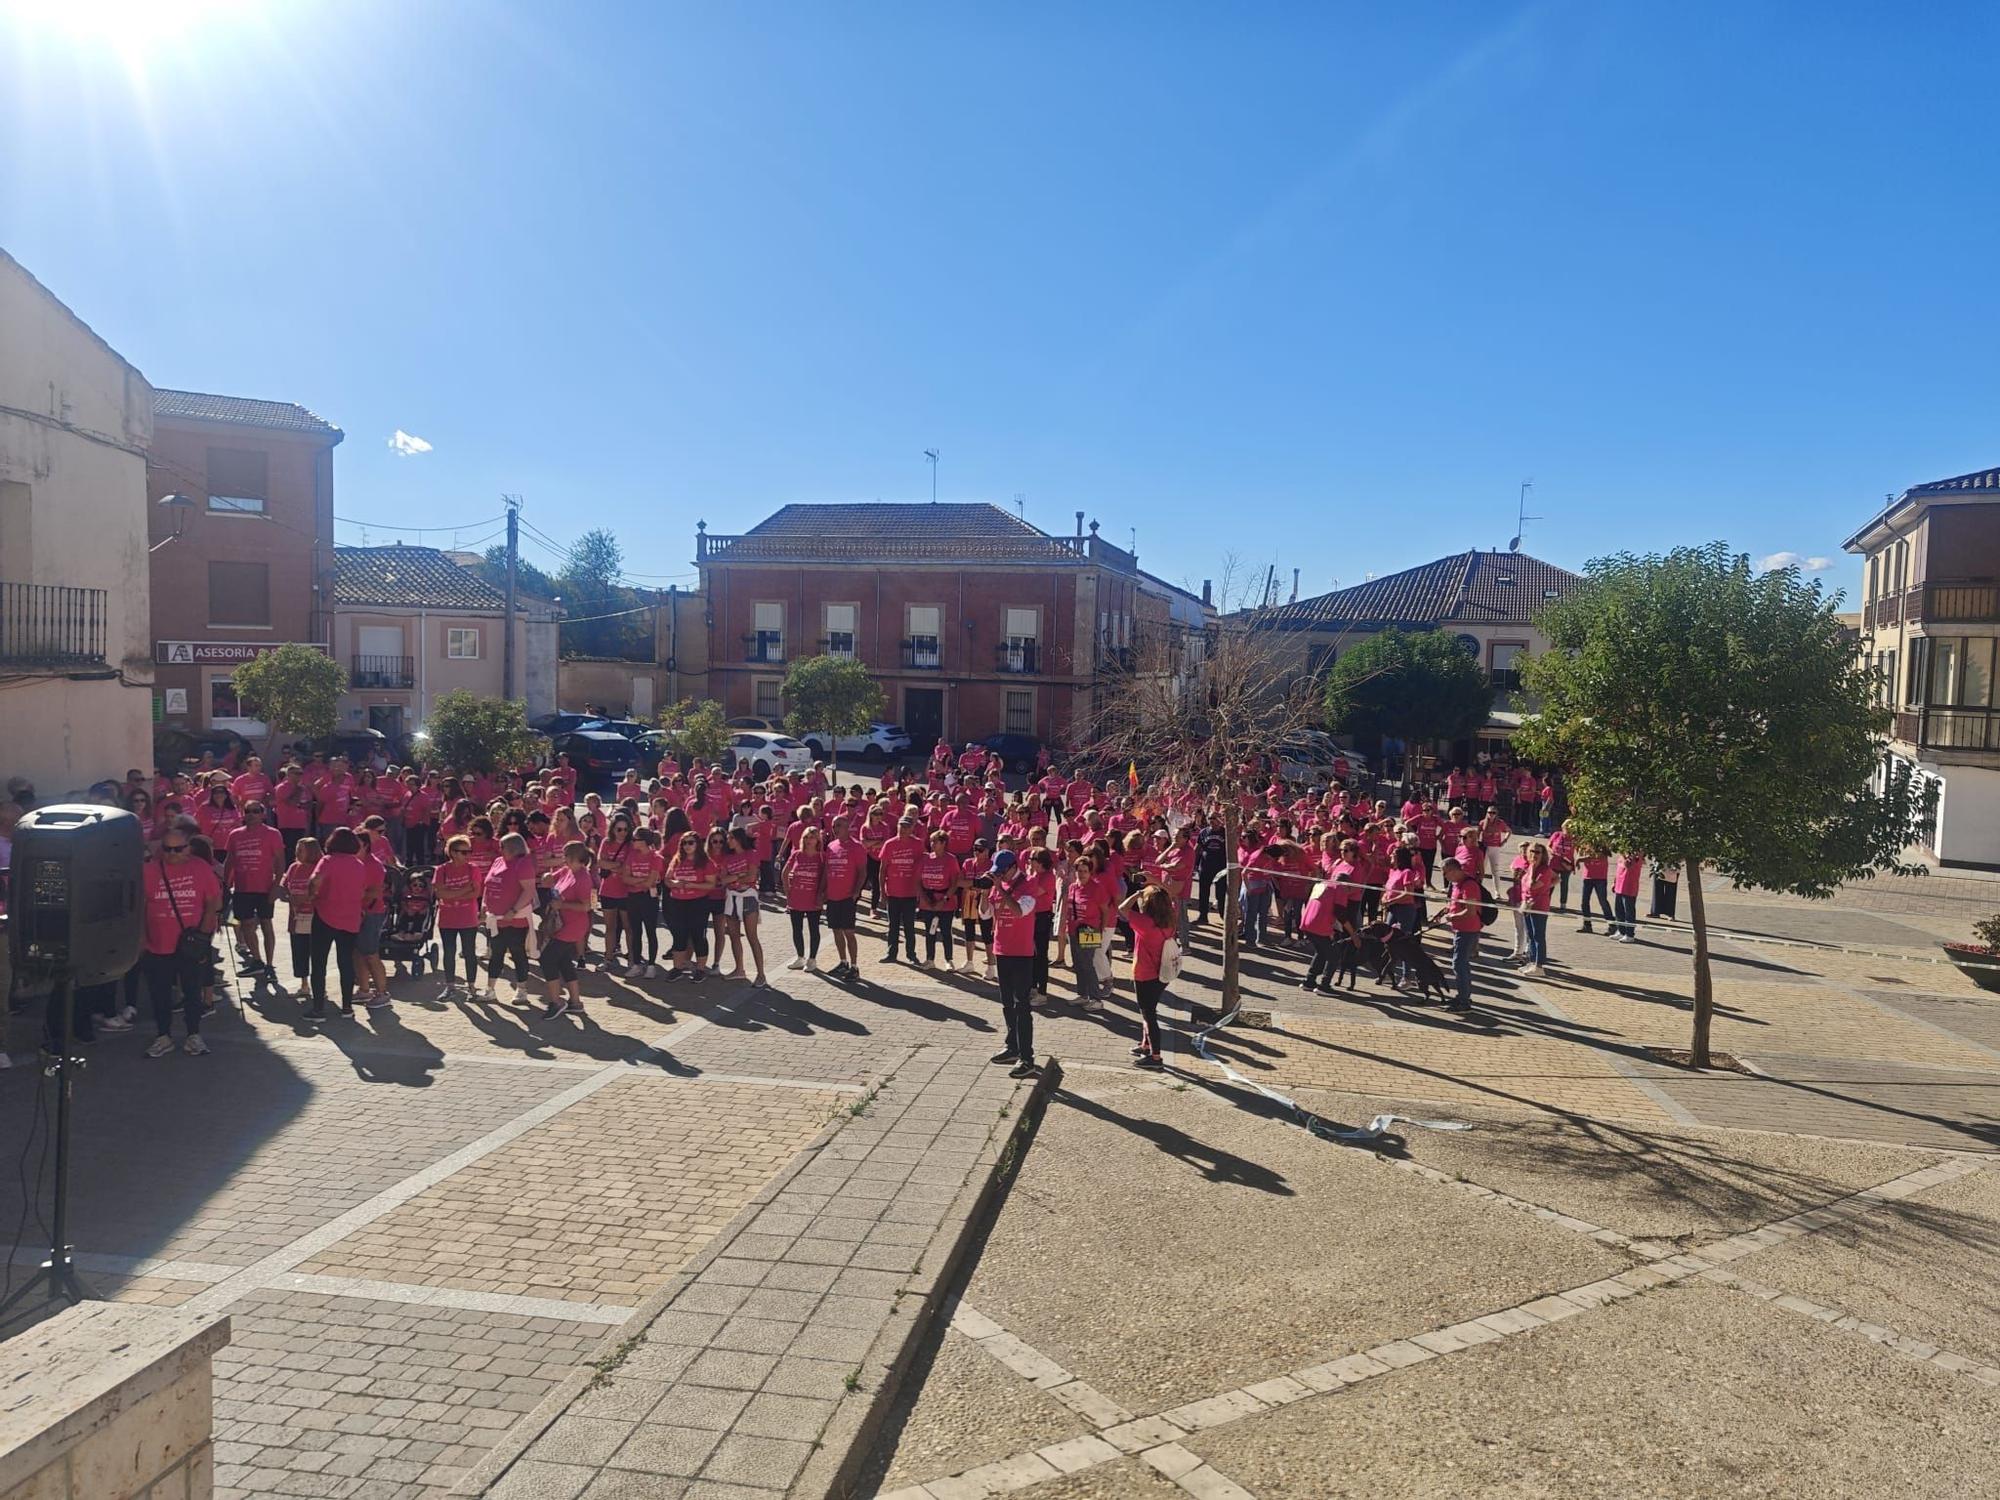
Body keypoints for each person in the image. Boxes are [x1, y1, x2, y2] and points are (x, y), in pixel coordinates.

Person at [140, 828, 223, 1056]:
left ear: (189, 848)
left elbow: (213, 902)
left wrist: (205, 936)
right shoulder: (148, 870)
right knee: (160, 994)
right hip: (157, 944)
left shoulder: (200, 868)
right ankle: (163, 1036)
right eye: (168, 849)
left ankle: (193, 1035)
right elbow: (139, 906)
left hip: (191, 943)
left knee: (192, 991)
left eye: (178, 849)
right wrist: (141, 940)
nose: (173, 854)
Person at [308, 827, 374, 1019]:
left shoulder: (328, 860)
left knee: (319, 964)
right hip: (350, 917)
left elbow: (316, 879)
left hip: (326, 914)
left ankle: (318, 1008)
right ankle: (347, 1007)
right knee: (345, 962)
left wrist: (312, 894)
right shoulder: (358, 864)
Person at [987, 851, 1042, 1078]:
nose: (998, 877)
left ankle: (1026, 1057)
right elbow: (986, 914)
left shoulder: (1029, 884)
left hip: (1021, 953)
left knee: (1022, 1006)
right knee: (1006, 1003)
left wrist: (1000, 889)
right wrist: (985, 893)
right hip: (1002, 949)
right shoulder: (998, 884)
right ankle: (1012, 1046)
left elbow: (1020, 912)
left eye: (1001, 873)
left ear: (1012, 868)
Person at [222, 800, 284, 979]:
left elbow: (280, 860)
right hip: (242, 887)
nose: (251, 814)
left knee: (266, 923)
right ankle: (257, 960)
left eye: (256, 811)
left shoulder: (273, 834)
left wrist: (277, 884)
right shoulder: (235, 834)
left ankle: (270, 964)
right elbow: (230, 860)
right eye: (248, 811)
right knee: (246, 925)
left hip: (265, 887)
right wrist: (226, 885)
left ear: (263, 814)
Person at [1119, 882, 1176, 1069]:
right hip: (1162, 974)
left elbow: (1122, 908)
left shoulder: (1144, 923)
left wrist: (1137, 894)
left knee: (1148, 1014)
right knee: (1148, 1010)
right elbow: (1168, 898)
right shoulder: (1169, 920)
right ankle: (1145, 1044)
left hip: (1145, 974)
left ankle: (1156, 1057)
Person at [541, 841, 595, 1017]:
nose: (563, 859)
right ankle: (575, 1002)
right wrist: (545, 879)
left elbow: (587, 906)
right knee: (563, 960)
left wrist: (563, 904)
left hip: (573, 926)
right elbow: (551, 879)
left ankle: (557, 1002)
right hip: (561, 923)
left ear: (574, 858)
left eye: (566, 856)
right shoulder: (567, 871)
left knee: (547, 958)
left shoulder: (584, 878)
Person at [482, 832, 539, 999]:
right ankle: (490, 989)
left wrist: (513, 910)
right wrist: (484, 906)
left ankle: (522, 990)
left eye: (502, 846)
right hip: (496, 918)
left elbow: (528, 891)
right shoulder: (498, 861)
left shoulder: (523, 864)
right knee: (496, 952)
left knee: (517, 952)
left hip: (515, 918)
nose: (499, 849)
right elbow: (488, 885)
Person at [434, 835, 482, 997]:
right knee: (449, 952)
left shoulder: (472, 869)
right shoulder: (441, 870)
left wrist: (452, 895)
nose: (468, 855)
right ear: (453, 853)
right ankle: (450, 985)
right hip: (447, 918)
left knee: (469, 952)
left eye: (469, 851)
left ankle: (471, 986)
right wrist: (464, 891)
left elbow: (476, 892)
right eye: (463, 852)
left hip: (468, 918)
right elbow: (439, 893)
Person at [277, 836, 321, 1001]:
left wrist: (306, 898)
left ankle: (318, 985)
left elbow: (323, 890)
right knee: (299, 951)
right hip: (297, 917)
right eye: (297, 849)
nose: (297, 852)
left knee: (316, 953)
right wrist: (287, 895)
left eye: (301, 849)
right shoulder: (293, 867)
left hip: (315, 917)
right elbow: (283, 885)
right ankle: (304, 984)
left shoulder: (319, 867)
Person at [722, 827, 767, 986]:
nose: (728, 841)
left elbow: (752, 876)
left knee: (752, 936)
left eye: (731, 838)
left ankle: (761, 974)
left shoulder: (751, 854)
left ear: (739, 839)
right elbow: (723, 879)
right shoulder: (727, 857)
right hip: (732, 898)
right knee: (734, 935)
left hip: (748, 897)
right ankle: (739, 969)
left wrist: (735, 878)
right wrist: (739, 876)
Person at [1437, 856, 1482, 1014]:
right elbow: (1457, 905)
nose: (1444, 876)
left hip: (1468, 930)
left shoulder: (1469, 885)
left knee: (1459, 964)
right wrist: (1447, 910)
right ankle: (1463, 996)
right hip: (1460, 930)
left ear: (1453, 870)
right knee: (1461, 963)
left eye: (1445, 873)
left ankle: (1464, 1000)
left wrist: (1453, 917)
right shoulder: (1456, 884)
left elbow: (1470, 911)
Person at [878, 816, 924, 962]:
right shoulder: (889, 844)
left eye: (906, 826)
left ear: (912, 829)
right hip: (893, 891)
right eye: (900, 826)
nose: (903, 829)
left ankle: (911, 954)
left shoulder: (918, 844)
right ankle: (891, 953)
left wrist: (920, 892)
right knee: (893, 925)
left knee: (909, 926)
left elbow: (922, 867)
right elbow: (882, 869)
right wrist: (882, 892)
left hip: (910, 892)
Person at [917, 829, 962, 970]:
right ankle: (930, 959)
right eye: (931, 841)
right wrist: (925, 898)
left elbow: (955, 882)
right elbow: (918, 881)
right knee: (930, 931)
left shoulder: (951, 860)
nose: (932, 844)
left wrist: (944, 899)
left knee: (946, 932)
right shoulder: (925, 858)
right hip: (928, 901)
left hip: (945, 902)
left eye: (935, 841)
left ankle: (949, 960)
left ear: (943, 843)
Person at [784, 826, 826, 971]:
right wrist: (787, 892)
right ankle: (800, 957)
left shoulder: (821, 856)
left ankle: (812, 959)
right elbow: (784, 873)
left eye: (812, 837)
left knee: (814, 929)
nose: (809, 840)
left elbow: (825, 878)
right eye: (807, 837)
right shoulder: (796, 854)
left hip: (813, 898)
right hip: (796, 897)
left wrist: (822, 896)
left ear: (817, 840)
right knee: (797, 929)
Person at [1611, 851, 1644, 942]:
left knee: (1629, 912)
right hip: (1619, 886)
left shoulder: (1636, 857)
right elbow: (1618, 869)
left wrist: (1627, 856)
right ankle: (1621, 931)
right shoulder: (1622, 855)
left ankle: (1629, 934)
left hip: (1629, 888)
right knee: (1619, 910)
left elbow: (1628, 865)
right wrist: (1614, 882)